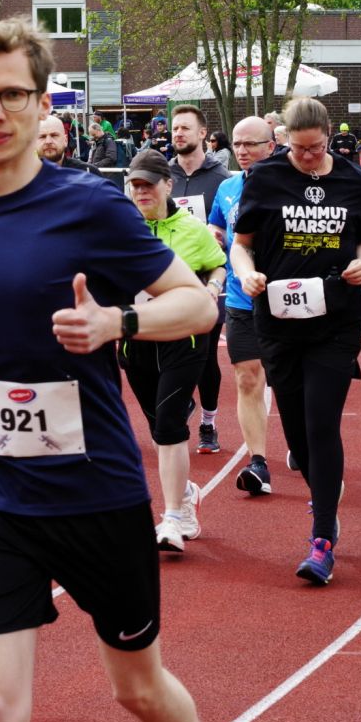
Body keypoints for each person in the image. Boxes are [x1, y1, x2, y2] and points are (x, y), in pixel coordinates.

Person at [0, 17, 208, 722]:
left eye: (12, 95)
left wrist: (117, 323)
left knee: (136, 688)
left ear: (43, 103)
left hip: (95, 492)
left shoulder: (88, 206)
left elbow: (197, 304)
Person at [230, 97, 361, 585]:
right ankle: (325, 496)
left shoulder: (352, 178)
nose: (308, 158)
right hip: (279, 320)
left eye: (315, 148)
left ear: (329, 136)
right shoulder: (265, 178)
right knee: (295, 432)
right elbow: (241, 245)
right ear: (284, 141)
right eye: (298, 149)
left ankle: (322, 539)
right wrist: (246, 274)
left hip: (336, 319)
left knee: (321, 422)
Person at [121, 149, 227, 551]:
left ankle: (172, 517)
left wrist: (212, 287)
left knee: (169, 426)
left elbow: (218, 264)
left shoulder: (192, 229)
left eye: (149, 184)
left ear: (168, 185)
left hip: (184, 342)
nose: (141, 192)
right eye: (135, 185)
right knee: (157, 428)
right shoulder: (120, 228)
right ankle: (184, 493)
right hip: (136, 341)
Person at [206, 116, 277, 488]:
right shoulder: (228, 187)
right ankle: (258, 462)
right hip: (240, 298)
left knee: (289, 381)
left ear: (271, 146)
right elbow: (217, 225)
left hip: (285, 299)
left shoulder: (288, 186)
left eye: (251, 144)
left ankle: (300, 439)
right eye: (237, 144)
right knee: (248, 377)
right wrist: (214, 235)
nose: (243, 151)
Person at [168, 104, 231, 467]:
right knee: (170, 353)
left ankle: (208, 422)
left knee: (205, 356)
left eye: (185, 128)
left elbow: (233, 224)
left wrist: (219, 236)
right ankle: (181, 403)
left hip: (209, 279)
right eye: (175, 128)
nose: (178, 133)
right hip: (168, 280)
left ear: (203, 134)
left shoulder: (221, 178)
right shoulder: (165, 176)